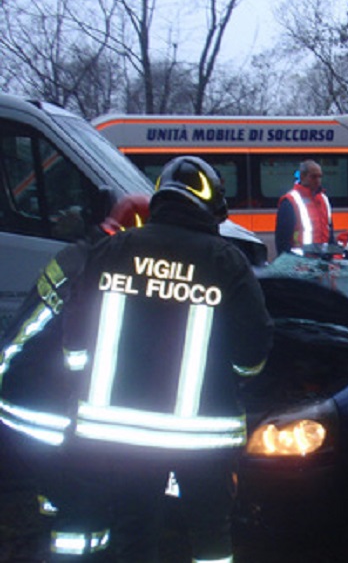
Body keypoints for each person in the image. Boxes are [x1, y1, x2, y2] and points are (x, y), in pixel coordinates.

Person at [46, 155, 273, 562]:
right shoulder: (227, 262)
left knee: (136, 530)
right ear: (211, 207)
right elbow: (252, 353)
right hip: (203, 439)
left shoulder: (111, 250)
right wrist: (237, 377)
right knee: (210, 538)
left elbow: (74, 340)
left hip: (120, 435)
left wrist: (82, 385)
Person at [0, 194, 152, 522]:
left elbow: (26, 325)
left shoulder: (73, 257)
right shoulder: (117, 271)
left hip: (24, 400)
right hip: (51, 414)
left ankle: (55, 519)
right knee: (81, 508)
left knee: (61, 492)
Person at [274, 159, 334, 255]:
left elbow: (329, 232)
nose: (318, 180)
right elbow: (282, 240)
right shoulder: (290, 201)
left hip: (322, 261)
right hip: (300, 263)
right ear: (302, 176)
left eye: (320, 176)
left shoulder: (323, 199)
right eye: (313, 177)